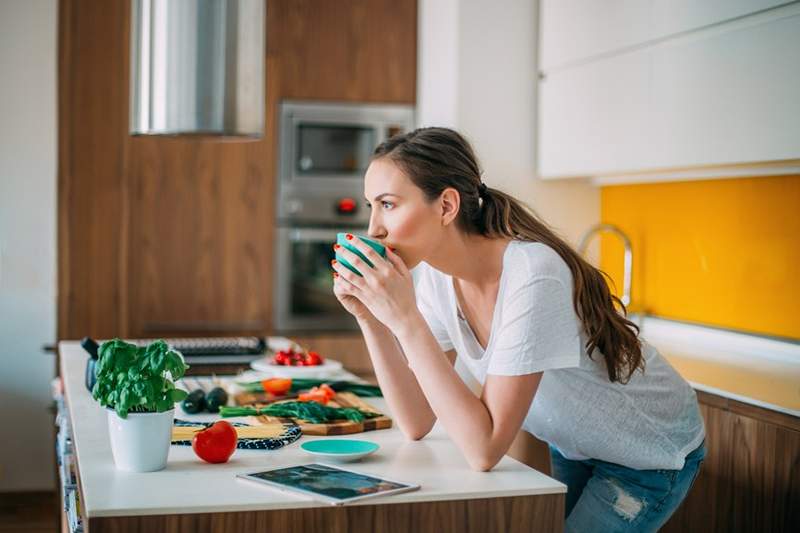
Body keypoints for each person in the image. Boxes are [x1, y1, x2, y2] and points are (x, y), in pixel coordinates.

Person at [331, 127, 706, 532]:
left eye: (388, 204)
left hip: (647, 449)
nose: (373, 229)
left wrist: (405, 320)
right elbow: (416, 420)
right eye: (372, 206)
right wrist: (371, 317)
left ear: (446, 206)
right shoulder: (439, 279)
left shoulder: (532, 274)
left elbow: (484, 449)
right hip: (578, 442)